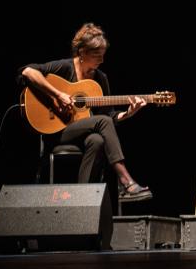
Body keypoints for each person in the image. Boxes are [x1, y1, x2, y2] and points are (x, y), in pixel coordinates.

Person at [18, 23, 153, 201]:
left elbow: (110, 115)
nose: (101, 61)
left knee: (97, 140)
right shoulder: (65, 67)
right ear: (82, 53)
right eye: (97, 55)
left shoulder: (100, 78)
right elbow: (27, 72)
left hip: (81, 133)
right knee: (102, 122)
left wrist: (129, 113)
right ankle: (125, 181)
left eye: (103, 56)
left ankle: (81, 200)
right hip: (56, 130)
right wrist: (57, 95)